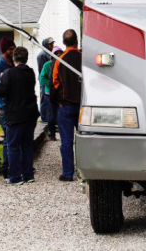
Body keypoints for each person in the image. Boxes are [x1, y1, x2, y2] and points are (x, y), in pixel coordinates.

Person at [0, 47, 40, 185]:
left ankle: (15, 176)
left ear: (14, 58)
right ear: (26, 58)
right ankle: (28, 174)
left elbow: (1, 92)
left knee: (13, 146)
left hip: (15, 114)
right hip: (30, 113)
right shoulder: (30, 72)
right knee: (27, 145)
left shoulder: (8, 73)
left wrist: (1, 80)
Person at [52, 29, 82, 182]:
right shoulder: (84, 58)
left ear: (63, 43)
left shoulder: (60, 60)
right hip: (84, 106)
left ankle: (68, 173)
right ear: (77, 41)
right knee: (86, 140)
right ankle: (87, 173)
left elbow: (55, 84)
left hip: (65, 106)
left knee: (66, 141)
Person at [0, 36, 16, 179]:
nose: (13, 51)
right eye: (10, 49)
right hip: (5, 109)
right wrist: (3, 106)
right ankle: (6, 168)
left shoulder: (13, 65)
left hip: (16, 107)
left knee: (14, 139)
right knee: (7, 139)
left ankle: (15, 165)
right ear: (5, 50)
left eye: (13, 48)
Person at [40, 46, 63, 141]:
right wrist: (51, 85)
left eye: (60, 53)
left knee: (61, 115)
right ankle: (51, 134)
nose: (58, 55)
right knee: (52, 115)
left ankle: (63, 135)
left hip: (60, 94)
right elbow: (42, 78)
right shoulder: (47, 65)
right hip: (49, 94)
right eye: (56, 53)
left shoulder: (64, 65)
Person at [37, 38, 55, 123]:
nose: (52, 46)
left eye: (52, 44)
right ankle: (44, 118)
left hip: (49, 81)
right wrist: (45, 82)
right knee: (44, 99)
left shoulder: (49, 54)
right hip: (44, 81)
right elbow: (42, 72)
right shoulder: (42, 55)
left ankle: (48, 117)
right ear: (45, 44)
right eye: (50, 44)